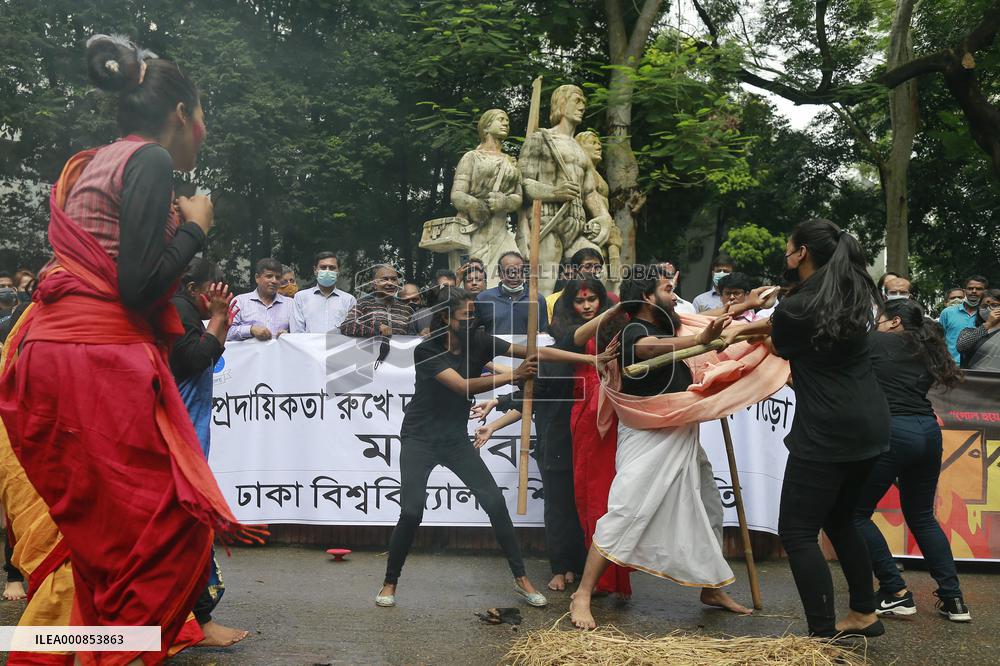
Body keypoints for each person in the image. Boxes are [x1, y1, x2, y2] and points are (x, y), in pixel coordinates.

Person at [0, 33, 244, 661]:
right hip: (96, 358)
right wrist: (194, 228)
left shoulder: (93, 161)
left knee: (102, 545)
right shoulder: (151, 162)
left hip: (55, 352)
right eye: (204, 116)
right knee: (171, 531)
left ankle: (80, 648)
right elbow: (136, 287)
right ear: (182, 115)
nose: (205, 131)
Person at [376, 286, 611, 609]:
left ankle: (521, 578)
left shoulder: (481, 341)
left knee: (495, 503)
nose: (473, 320)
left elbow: (537, 352)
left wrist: (589, 357)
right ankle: (390, 582)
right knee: (412, 510)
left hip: (455, 439)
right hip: (420, 438)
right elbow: (463, 387)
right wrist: (513, 375)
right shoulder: (427, 350)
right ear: (446, 317)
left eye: (474, 314)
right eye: (466, 316)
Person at [721, 218, 890, 638]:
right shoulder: (854, 292)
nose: (785, 255)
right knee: (842, 519)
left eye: (788, 248)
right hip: (870, 424)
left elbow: (778, 342)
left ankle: (820, 634)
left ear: (802, 254)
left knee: (796, 531)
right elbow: (793, 321)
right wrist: (763, 309)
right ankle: (864, 613)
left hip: (827, 429)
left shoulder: (798, 308)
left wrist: (743, 324)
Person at [569, 266, 756, 631]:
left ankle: (711, 588)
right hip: (649, 435)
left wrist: (747, 306)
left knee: (706, 505)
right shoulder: (633, 330)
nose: (674, 294)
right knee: (626, 511)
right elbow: (647, 349)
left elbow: (703, 320)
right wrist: (700, 341)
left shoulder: (668, 324)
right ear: (648, 297)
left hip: (680, 432)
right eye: (668, 289)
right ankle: (583, 594)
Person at [853, 299, 970, 622]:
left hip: (893, 432)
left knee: (853, 514)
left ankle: (894, 591)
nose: (875, 324)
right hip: (927, 433)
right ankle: (954, 599)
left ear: (893, 322)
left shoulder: (877, 341)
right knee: (922, 517)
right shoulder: (926, 346)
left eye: (879, 318)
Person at [169, 258, 250, 646]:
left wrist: (220, 322)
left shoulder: (185, 311)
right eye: (217, 291)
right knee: (190, 532)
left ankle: (187, 622)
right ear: (193, 288)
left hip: (186, 444)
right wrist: (218, 318)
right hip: (176, 448)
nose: (224, 298)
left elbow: (210, 360)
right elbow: (192, 360)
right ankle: (198, 622)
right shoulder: (178, 311)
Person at [476, 251, 548, 336]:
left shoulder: (537, 299)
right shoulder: (484, 299)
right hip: (494, 349)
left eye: (518, 271)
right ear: (500, 273)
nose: (514, 276)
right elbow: (476, 333)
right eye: (509, 272)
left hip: (526, 349)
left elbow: (544, 332)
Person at [340, 264, 417, 337]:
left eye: (394, 279)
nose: (390, 283)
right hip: (370, 351)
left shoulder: (407, 310)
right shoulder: (363, 305)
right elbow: (346, 326)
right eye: (384, 279)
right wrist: (376, 327)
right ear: (374, 285)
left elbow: (414, 336)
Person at [290, 251, 357, 334]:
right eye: (323, 267)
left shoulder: (349, 300)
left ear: (338, 271)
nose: (327, 271)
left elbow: (352, 331)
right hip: (307, 346)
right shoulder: (301, 297)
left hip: (338, 346)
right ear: (315, 270)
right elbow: (297, 332)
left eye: (332, 268)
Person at [229, 257, 292, 341]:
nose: (274, 281)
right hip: (248, 354)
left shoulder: (290, 304)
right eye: (269, 276)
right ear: (257, 278)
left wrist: (288, 335)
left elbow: (299, 335)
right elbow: (226, 333)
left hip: (280, 353)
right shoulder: (240, 302)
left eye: (278, 277)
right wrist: (250, 330)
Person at [545, 247, 618, 319]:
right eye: (588, 266)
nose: (593, 271)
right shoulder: (553, 302)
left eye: (597, 267)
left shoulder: (610, 299)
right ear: (575, 270)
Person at [939, 276, 989, 363]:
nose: (974, 291)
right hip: (952, 366)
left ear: (985, 292)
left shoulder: (989, 314)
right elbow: (939, 340)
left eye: (979, 289)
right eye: (970, 288)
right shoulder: (947, 313)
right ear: (965, 291)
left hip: (981, 367)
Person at [956, 288, 1000, 371]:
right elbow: (961, 347)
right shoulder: (969, 331)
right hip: (975, 380)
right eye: (984, 306)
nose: (988, 309)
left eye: (994, 305)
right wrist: (988, 324)